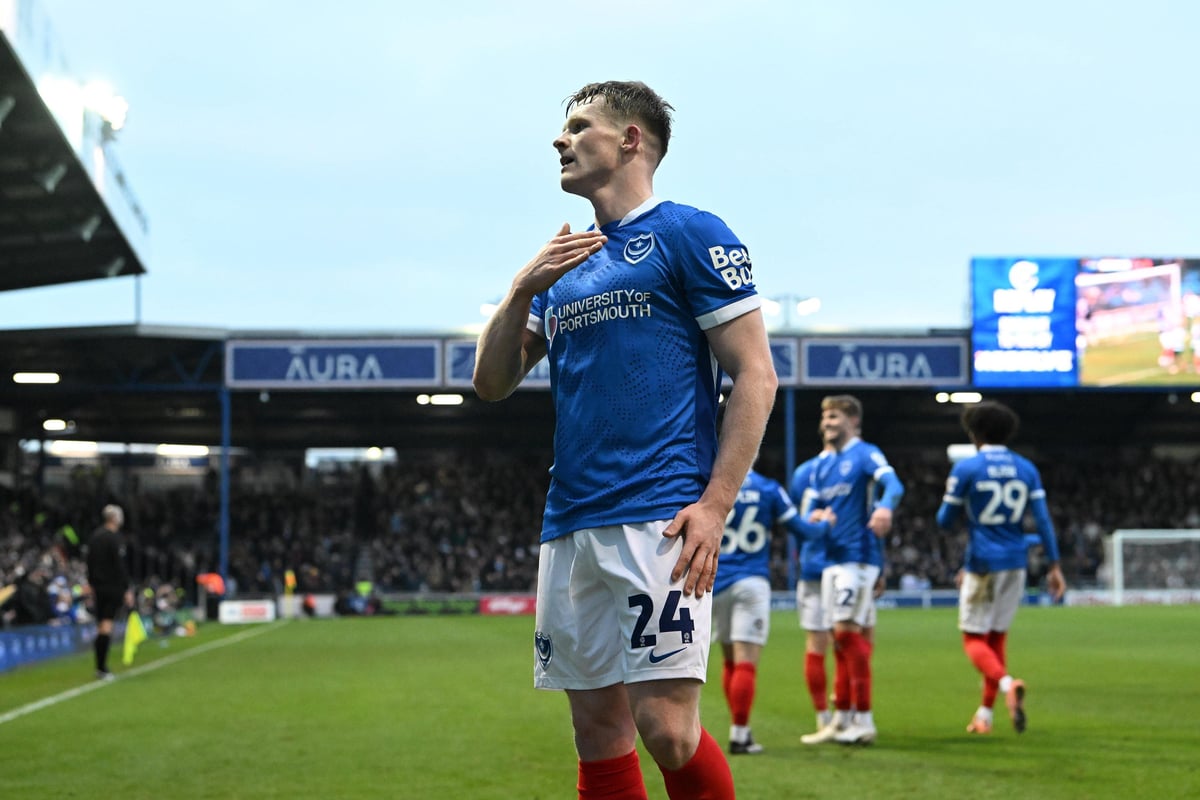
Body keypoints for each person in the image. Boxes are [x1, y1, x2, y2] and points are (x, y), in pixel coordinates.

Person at [473, 80, 777, 800]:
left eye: (579, 127)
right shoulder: (565, 264)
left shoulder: (690, 233)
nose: (561, 139)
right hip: (571, 519)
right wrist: (520, 289)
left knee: (667, 730)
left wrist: (716, 504)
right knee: (597, 733)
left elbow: (755, 376)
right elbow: (490, 383)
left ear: (631, 139)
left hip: (659, 514)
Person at [935, 401, 1066, 735]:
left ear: (975, 434)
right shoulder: (1026, 468)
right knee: (997, 638)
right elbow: (1044, 521)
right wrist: (1054, 566)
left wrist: (962, 503)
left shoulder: (967, 468)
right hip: (1017, 563)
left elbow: (944, 521)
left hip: (982, 562)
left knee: (973, 639)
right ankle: (985, 716)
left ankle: (1008, 685)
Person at [800, 395, 904, 745]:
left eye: (835, 417)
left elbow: (894, 484)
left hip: (857, 558)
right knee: (840, 643)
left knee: (846, 636)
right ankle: (842, 720)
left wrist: (885, 507)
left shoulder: (865, 453)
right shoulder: (820, 466)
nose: (827, 422)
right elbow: (812, 508)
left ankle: (864, 719)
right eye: (824, 416)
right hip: (830, 562)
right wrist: (812, 516)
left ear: (853, 422)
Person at [713, 467, 831, 755]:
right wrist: (825, 524)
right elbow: (803, 531)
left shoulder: (711, 481)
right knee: (746, 663)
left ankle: (741, 729)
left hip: (715, 582)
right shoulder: (768, 487)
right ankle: (740, 735)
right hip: (751, 581)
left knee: (730, 662)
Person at [84, 504, 133, 680]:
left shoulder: (95, 537)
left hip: (97, 586)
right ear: (115, 518)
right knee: (106, 625)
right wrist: (126, 588)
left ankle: (99, 666)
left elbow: (88, 562)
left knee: (101, 625)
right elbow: (120, 566)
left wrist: (90, 583)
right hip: (112, 587)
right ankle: (102, 667)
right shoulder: (114, 539)